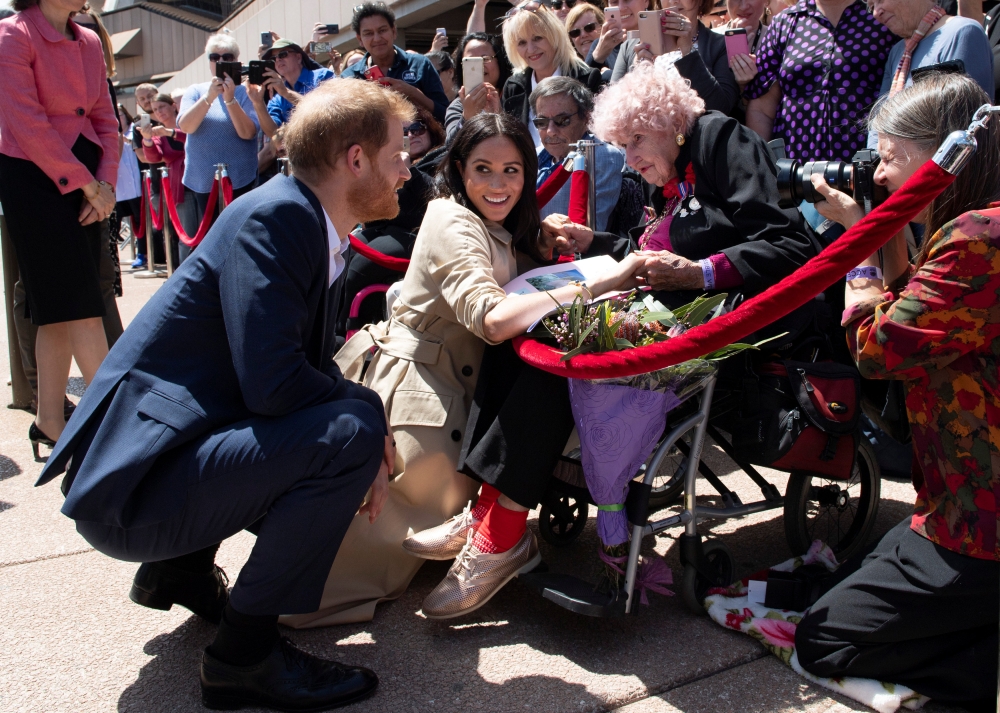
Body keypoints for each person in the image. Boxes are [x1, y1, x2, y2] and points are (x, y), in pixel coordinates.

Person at [34, 79, 414, 712]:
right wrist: (370, 418)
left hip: (154, 473)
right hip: (131, 493)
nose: (408, 166)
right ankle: (243, 658)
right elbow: (274, 385)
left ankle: (180, 572)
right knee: (345, 438)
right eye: (399, 151)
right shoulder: (280, 216)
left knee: (347, 418)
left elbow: (282, 374)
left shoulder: (303, 218)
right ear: (355, 158)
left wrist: (362, 410)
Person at [404, 57, 821, 619]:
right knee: (531, 333)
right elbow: (651, 253)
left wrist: (700, 274)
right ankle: (486, 513)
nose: (631, 159)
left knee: (563, 353)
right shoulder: (670, 174)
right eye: (622, 147)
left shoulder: (719, 138)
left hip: (725, 319)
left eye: (637, 141)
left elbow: (787, 245)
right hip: (664, 306)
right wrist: (592, 240)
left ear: (670, 121)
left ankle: (501, 530)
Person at [284, 112, 641, 627]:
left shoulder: (490, 218)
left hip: (463, 393)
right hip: (425, 398)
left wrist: (543, 239)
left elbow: (505, 257)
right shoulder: (451, 219)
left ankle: (493, 523)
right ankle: (495, 529)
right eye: (483, 169)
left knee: (547, 353)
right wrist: (601, 283)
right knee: (351, 565)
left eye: (512, 170)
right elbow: (493, 319)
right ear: (457, 168)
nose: (498, 184)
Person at [794, 74, 1000, 711]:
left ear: (945, 156)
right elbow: (924, 312)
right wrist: (883, 230)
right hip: (956, 503)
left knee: (822, 639)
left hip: (982, 524)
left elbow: (878, 348)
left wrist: (857, 249)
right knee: (862, 575)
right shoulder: (975, 223)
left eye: (890, 159)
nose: (877, 175)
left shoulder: (978, 241)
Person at [0, 0, 119, 457]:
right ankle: (114, 424)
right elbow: (25, 123)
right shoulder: (13, 34)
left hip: (87, 176)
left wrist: (103, 183)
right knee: (80, 305)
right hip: (33, 177)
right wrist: (88, 185)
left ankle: (49, 419)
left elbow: (107, 122)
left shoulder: (88, 39)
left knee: (61, 306)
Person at [744, 0, 894, 162]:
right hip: (794, 168)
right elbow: (762, 109)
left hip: (866, 164)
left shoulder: (879, 18)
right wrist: (765, 166)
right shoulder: (784, 22)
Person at [177, 34, 260, 253]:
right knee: (203, 243)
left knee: (238, 241)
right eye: (215, 57)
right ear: (209, 61)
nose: (221, 61)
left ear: (236, 60)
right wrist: (209, 97)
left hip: (240, 180)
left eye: (227, 56)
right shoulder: (195, 91)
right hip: (202, 181)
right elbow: (186, 126)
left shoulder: (245, 92)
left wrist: (230, 99)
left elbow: (248, 133)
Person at [501, 1, 604, 148]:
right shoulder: (513, 87)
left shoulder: (587, 79)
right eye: (522, 42)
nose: (531, 49)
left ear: (554, 36)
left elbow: (598, 141)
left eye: (537, 38)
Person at [610, 0, 740, 115]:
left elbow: (721, 109)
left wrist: (688, 52)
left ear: (701, 1)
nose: (674, 1)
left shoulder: (720, 45)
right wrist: (637, 72)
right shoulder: (630, 46)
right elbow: (612, 111)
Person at [532, 76, 627, 232]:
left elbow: (590, 232)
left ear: (586, 117)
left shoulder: (602, 157)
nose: (550, 131)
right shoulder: (531, 156)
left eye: (562, 120)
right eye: (541, 122)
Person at [340, 2, 451, 123]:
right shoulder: (349, 78)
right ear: (360, 39)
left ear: (394, 31)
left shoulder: (420, 64)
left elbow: (445, 114)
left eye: (382, 30)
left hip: (417, 140)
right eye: (368, 33)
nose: (377, 38)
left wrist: (413, 94)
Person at [871, 0, 994, 101]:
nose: (876, 13)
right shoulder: (897, 52)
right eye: (872, 6)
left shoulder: (962, 32)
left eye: (880, 0)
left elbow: (960, 117)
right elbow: (880, 120)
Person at [247, 38, 336, 139]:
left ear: (298, 57)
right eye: (273, 58)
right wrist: (258, 103)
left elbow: (326, 113)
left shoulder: (323, 76)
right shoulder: (278, 98)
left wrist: (286, 93)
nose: (277, 59)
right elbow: (273, 133)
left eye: (283, 54)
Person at [139, 94, 191, 261]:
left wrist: (169, 132)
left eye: (161, 106)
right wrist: (147, 140)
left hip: (201, 179)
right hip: (180, 186)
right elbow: (154, 157)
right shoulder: (157, 133)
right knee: (185, 234)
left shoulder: (188, 122)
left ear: (173, 106)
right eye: (154, 110)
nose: (158, 112)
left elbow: (191, 137)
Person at [445, 32, 511, 143]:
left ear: (499, 61)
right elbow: (450, 147)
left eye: (485, 59)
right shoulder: (458, 105)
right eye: (470, 61)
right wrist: (467, 117)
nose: (479, 66)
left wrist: (500, 116)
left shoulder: (515, 96)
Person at [130, 82, 164, 269]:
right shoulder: (138, 126)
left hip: (181, 178)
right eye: (142, 98)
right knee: (159, 224)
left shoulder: (170, 117)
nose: (147, 101)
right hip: (157, 181)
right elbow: (143, 156)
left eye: (150, 96)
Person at [585, 0, 647, 76]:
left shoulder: (662, 39)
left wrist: (608, 75)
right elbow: (581, 85)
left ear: (646, 1)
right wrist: (598, 56)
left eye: (627, 0)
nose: (621, 8)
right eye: (614, 2)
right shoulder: (599, 46)